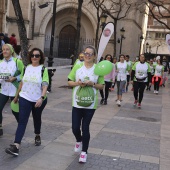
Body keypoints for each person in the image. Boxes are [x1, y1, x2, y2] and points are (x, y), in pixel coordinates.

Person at [5, 48, 49, 156]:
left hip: (38, 99)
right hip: (25, 97)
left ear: (40, 57)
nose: (34, 57)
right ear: (30, 57)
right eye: (33, 55)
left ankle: (37, 134)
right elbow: (21, 83)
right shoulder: (26, 68)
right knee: (22, 121)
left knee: (36, 118)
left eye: (37, 56)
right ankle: (16, 145)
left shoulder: (43, 69)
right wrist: (16, 96)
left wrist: (41, 98)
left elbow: (45, 85)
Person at [68, 46, 104, 163]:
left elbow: (101, 85)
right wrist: (78, 83)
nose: (87, 56)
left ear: (94, 56)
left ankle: (84, 152)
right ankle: (79, 140)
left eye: (90, 54)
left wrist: (92, 83)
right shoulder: (77, 66)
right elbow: (69, 81)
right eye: (86, 53)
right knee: (75, 127)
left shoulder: (98, 69)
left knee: (85, 127)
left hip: (90, 104)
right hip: (77, 102)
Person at [0, 44, 24, 136]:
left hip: (15, 90)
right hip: (3, 90)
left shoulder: (17, 62)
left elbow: (24, 74)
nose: (5, 51)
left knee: (15, 111)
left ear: (11, 51)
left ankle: (20, 127)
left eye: (7, 49)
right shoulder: (0, 63)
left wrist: (15, 78)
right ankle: (0, 127)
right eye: (3, 49)